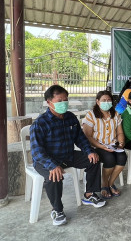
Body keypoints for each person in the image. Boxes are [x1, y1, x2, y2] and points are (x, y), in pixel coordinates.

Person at [30, 85, 105, 226]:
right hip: (46, 160)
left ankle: (90, 195)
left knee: (94, 160)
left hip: (67, 155)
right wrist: (52, 165)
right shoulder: (40, 123)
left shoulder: (70, 117)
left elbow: (80, 138)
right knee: (54, 175)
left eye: (66, 100)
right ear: (49, 102)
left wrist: (89, 151)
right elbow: (37, 151)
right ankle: (57, 210)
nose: (63, 103)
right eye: (59, 101)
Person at [83, 90, 127, 199]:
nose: (106, 102)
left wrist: (121, 143)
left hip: (112, 145)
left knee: (122, 157)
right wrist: (102, 146)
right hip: (97, 145)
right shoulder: (91, 115)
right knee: (109, 159)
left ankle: (110, 183)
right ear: (98, 102)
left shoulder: (115, 114)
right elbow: (87, 136)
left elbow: (120, 132)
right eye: (104, 100)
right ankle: (104, 184)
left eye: (109, 100)